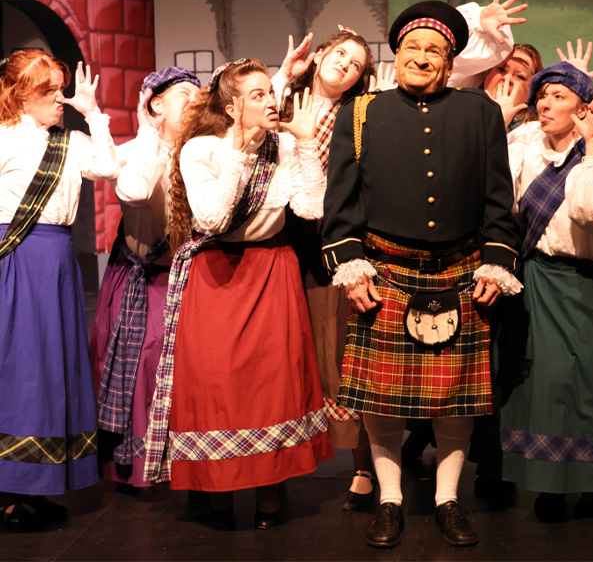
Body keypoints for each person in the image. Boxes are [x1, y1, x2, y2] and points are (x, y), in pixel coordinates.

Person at [321, 0, 521, 548]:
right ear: (397, 53)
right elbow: (340, 207)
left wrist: (497, 260)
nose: (422, 58)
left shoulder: (481, 112)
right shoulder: (360, 112)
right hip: (384, 273)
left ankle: (448, 500)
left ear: (451, 59)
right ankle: (390, 501)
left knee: (455, 400)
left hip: (458, 273)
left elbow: (498, 203)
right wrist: (352, 269)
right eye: (413, 48)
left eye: (435, 50)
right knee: (381, 401)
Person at [143, 58, 333, 530]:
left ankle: (271, 488)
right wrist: (242, 152)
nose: (271, 100)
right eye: (258, 95)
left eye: (272, 92)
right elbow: (212, 220)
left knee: (272, 386)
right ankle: (219, 491)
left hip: (272, 270)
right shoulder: (201, 150)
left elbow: (310, 207)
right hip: (218, 275)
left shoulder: (283, 145)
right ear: (232, 106)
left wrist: (307, 145)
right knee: (219, 386)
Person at [497, 62, 593, 521]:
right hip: (539, 281)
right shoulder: (524, 149)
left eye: (559, 96)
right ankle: (552, 483)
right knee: (549, 384)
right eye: (543, 95)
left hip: (592, 283)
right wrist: (501, 121)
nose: (545, 103)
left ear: (583, 107)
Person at [0, 50, 119, 530]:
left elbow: (110, 169)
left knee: (54, 371)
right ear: (20, 94)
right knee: (18, 371)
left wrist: (93, 113)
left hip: (56, 262)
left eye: (60, 89)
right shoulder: (4, 139)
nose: (60, 99)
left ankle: (35, 482)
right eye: (50, 91)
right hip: (16, 261)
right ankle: (7, 489)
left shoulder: (68, 141)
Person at [271, 29, 378, 510]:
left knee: (338, 351)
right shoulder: (283, 97)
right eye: (339, 54)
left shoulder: (360, 117)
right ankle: (272, 462)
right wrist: (283, 76)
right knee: (279, 355)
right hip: (272, 242)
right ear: (318, 58)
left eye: (355, 64)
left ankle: (361, 463)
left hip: (326, 243)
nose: (345, 65)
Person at [90, 67, 201, 491]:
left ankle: (185, 462)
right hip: (143, 279)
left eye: (198, 92)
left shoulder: (201, 149)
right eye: (184, 93)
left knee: (186, 371)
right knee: (143, 366)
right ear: (155, 103)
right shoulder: (136, 149)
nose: (194, 98)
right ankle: (135, 464)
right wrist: (151, 135)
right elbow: (136, 192)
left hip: (185, 279)